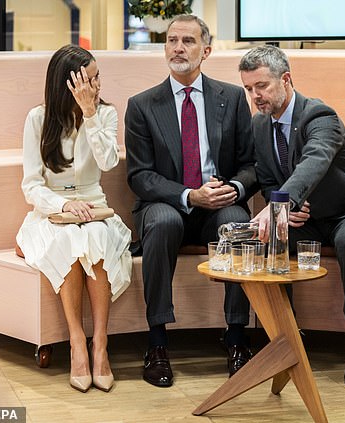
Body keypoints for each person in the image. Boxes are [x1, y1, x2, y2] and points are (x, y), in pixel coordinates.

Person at [238, 45, 345, 386]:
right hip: (304, 219)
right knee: (271, 242)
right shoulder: (259, 125)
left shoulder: (320, 116)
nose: (255, 96)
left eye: (261, 86)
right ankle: (288, 340)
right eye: (249, 89)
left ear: (286, 79)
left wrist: (282, 205)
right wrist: (285, 212)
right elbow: (268, 179)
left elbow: (314, 162)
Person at [125, 15, 258, 387]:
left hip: (218, 203)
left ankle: (235, 336)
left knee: (236, 222)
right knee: (164, 222)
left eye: (187, 41)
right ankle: (157, 341)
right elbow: (140, 176)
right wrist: (188, 195)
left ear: (206, 50)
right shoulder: (142, 105)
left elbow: (251, 164)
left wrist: (233, 187)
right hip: (166, 204)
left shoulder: (230, 98)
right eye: (171, 41)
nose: (178, 48)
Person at [16, 45, 132, 393]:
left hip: (96, 208)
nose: (97, 85)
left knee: (95, 238)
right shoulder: (38, 118)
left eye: (98, 78)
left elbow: (108, 162)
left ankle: (101, 344)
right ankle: (77, 343)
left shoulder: (106, 114)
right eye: (90, 78)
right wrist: (62, 207)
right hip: (52, 211)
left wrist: (90, 113)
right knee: (69, 240)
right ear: (70, 82)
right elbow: (31, 184)